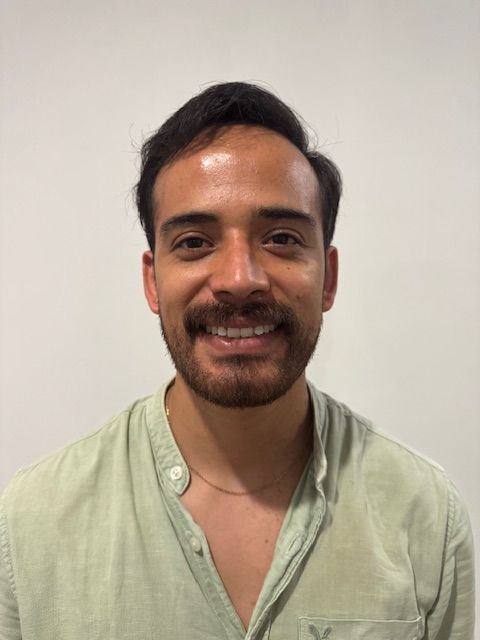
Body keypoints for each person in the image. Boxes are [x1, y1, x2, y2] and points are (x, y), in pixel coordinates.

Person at [0, 82, 474, 639]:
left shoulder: (424, 515)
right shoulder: (31, 525)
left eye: (281, 238)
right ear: (153, 282)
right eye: (194, 242)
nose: (239, 279)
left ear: (328, 278)